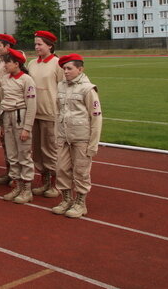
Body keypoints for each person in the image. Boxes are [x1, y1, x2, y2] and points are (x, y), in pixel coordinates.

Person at [53, 54, 103, 218]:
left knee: (81, 171)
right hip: (63, 136)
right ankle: (66, 199)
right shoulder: (61, 86)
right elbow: (57, 112)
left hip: (81, 138)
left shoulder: (88, 89)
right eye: (64, 69)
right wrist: (56, 135)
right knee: (61, 169)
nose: (65, 72)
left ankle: (80, 203)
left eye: (69, 68)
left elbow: (96, 117)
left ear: (80, 69)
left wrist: (93, 144)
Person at [27, 30, 64, 198]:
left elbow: (63, 88)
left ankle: (57, 185)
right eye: (35, 44)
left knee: (50, 150)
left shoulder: (57, 64)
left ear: (50, 45)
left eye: (40, 44)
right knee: (37, 152)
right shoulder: (32, 64)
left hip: (50, 113)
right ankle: (45, 181)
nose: (37, 47)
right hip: (34, 112)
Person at [0, 48, 37, 204]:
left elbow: (32, 105)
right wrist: (1, 124)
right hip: (7, 117)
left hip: (20, 117)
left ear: (17, 64)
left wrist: (27, 128)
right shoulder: (4, 79)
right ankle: (17, 185)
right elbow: (2, 102)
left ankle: (27, 189)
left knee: (24, 154)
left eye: (7, 62)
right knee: (12, 155)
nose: (5, 65)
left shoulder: (26, 80)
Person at [0, 33, 18, 186]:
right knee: (4, 141)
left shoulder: (15, 61)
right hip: (1, 106)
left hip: (12, 107)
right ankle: (9, 171)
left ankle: (17, 175)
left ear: (8, 47)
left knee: (15, 142)